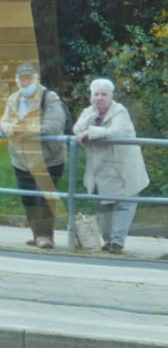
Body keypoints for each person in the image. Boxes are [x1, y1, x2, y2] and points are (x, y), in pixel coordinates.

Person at [73, 77, 148, 254]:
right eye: (95, 94)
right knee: (103, 206)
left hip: (123, 171)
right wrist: (90, 120)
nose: (99, 98)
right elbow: (76, 130)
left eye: (104, 94)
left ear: (112, 96)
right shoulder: (88, 112)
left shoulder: (120, 112)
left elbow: (115, 132)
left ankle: (117, 242)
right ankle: (107, 241)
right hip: (99, 171)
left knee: (124, 205)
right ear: (91, 96)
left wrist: (89, 132)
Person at [0, 61, 68, 249]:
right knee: (28, 198)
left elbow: (54, 125)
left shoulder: (49, 98)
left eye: (29, 78)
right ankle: (37, 234)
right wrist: (11, 129)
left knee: (44, 197)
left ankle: (46, 236)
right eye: (22, 79)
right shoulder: (13, 99)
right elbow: (3, 123)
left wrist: (25, 130)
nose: (25, 82)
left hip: (49, 158)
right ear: (16, 80)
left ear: (36, 79)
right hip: (21, 159)